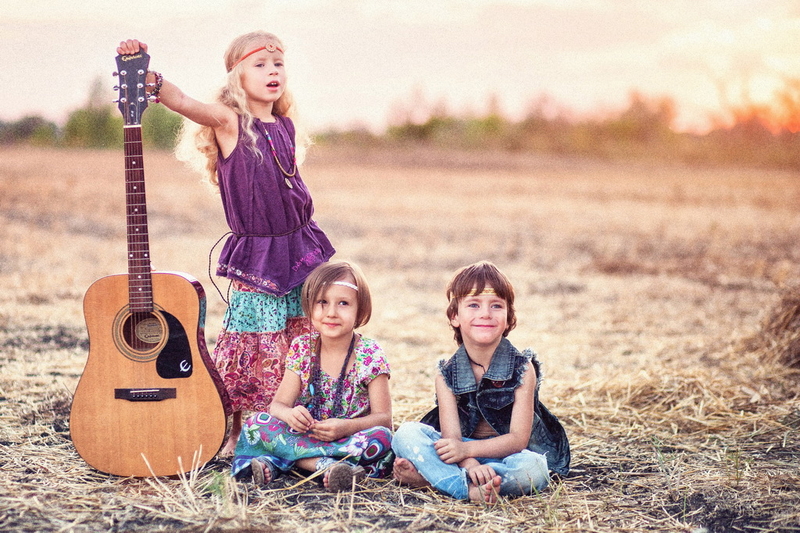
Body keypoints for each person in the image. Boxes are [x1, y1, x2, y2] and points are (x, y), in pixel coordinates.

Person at [116, 33, 336, 455]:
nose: (273, 71)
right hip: (258, 255)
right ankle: (242, 431)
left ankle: (292, 420)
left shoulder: (285, 126)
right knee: (255, 339)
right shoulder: (230, 121)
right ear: (236, 77)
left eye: (278, 64)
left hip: (299, 250)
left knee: (298, 337)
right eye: (260, 64)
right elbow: (183, 102)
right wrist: (148, 74)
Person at [392, 261, 570, 504]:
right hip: (462, 454)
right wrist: (469, 462)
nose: (485, 313)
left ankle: (436, 481)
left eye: (496, 305)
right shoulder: (446, 374)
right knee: (405, 434)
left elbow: (518, 439)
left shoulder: (522, 368)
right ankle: (468, 488)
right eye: (473, 305)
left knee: (535, 469)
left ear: (508, 319)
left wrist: (468, 452)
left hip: (510, 456)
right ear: (455, 316)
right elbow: (452, 439)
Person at [230, 261, 393, 491]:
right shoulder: (302, 348)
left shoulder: (370, 353)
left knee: (383, 438)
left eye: (343, 303)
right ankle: (323, 466)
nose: (331, 313)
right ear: (309, 305)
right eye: (322, 302)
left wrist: (346, 427)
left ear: (360, 309)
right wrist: (290, 415)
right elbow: (277, 406)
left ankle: (285, 462)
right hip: (305, 434)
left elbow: (384, 418)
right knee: (256, 424)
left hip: (348, 440)